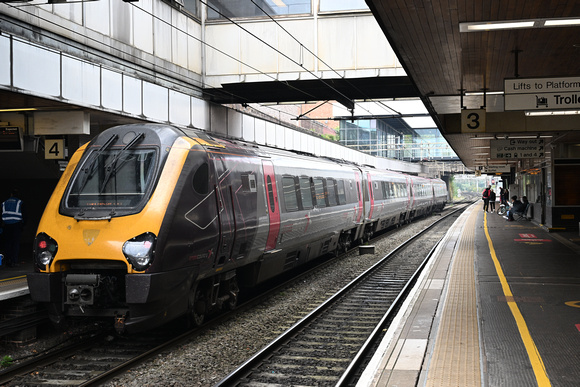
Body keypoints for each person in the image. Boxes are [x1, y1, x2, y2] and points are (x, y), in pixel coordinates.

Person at [1, 189, 24, 267]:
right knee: (15, 244)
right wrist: (23, 225)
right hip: (16, 225)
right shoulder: (20, 202)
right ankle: (14, 261)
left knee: (7, 244)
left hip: (6, 225)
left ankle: (8, 260)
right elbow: (25, 215)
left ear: (11, 194)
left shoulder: (4, 203)